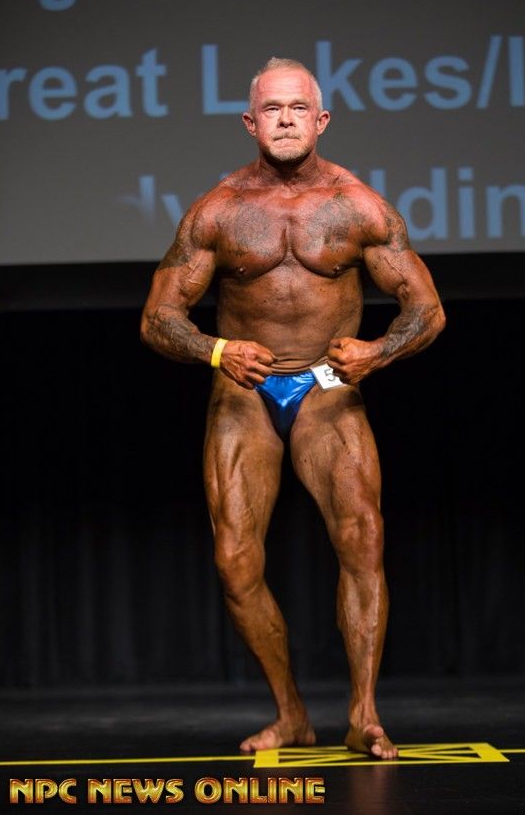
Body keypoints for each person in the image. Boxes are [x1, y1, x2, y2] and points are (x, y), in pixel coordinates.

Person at [140, 57, 446, 759]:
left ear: (321, 119)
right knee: (234, 561)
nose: (285, 119)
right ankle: (292, 714)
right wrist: (217, 351)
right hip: (244, 389)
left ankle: (364, 714)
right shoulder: (218, 211)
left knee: (362, 538)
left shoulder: (358, 206)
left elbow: (427, 310)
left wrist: (378, 353)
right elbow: (158, 318)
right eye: (271, 109)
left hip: (328, 385)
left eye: (297, 107)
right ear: (251, 123)